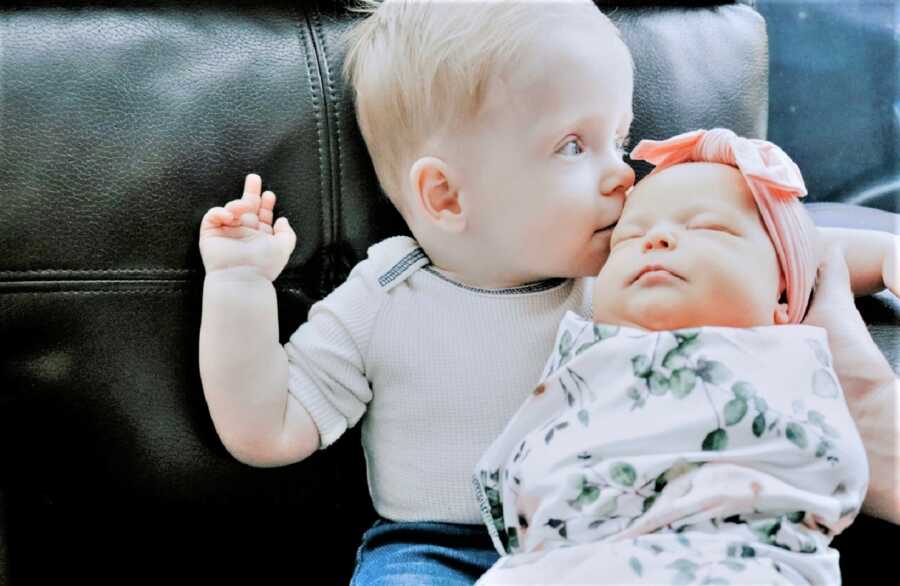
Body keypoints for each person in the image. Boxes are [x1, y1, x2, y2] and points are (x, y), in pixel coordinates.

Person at [196, 1, 898, 583]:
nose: (622, 174)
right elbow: (268, 428)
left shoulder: (618, 268)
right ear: (445, 195)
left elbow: (775, 246)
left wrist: (888, 260)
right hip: (432, 549)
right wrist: (238, 286)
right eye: (574, 146)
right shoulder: (383, 298)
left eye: (617, 139)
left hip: (614, 532)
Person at [472, 129, 877, 585]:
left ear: (782, 298)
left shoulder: (786, 349)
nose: (656, 239)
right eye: (629, 237)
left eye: (708, 228)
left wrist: (886, 256)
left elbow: (820, 251)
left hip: (740, 558)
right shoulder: (584, 337)